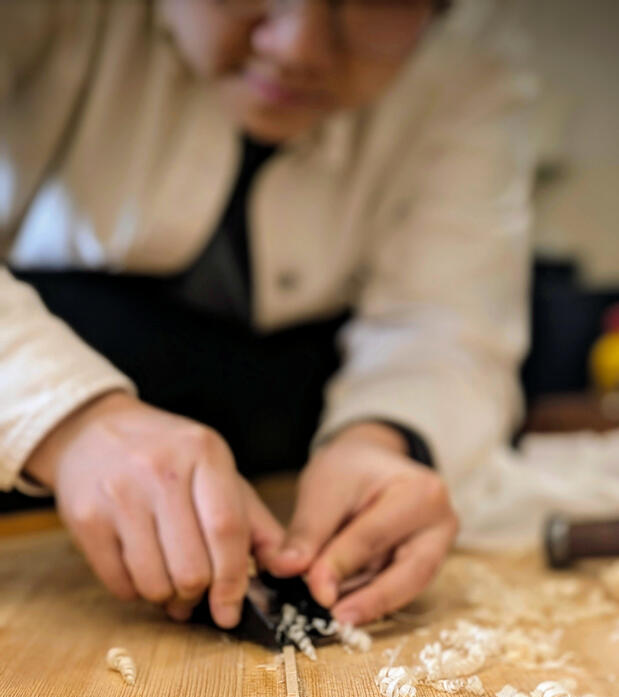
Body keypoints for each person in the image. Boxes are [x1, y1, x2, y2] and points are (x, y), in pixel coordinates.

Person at [0, 0, 535, 628]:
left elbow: (446, 324)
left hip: (286, 448)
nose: (297, 49)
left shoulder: (474, 64)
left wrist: (388, 440)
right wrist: (67, 419)